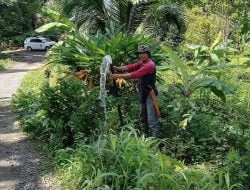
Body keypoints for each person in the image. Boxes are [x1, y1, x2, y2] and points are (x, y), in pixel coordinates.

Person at [110, 45, 160, 137]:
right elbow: (130, 67)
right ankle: (144, 139)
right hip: (143, 94)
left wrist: (116, 76)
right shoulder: (142, 62)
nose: (141, 55)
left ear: (148, 54)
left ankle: (155, 144)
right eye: (140, 54)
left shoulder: (149, 65)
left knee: (151, 120)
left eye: (143, 53)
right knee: (142, 118)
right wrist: (117, 69)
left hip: (150, 95)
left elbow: (134, 74)